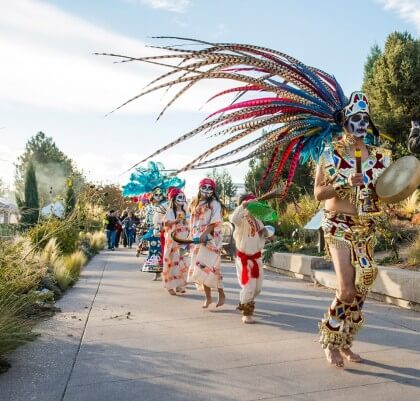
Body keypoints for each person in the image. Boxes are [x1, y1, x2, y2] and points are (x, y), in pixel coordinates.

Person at [314, 92, 391, 367]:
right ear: (345, 121)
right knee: (346, 290)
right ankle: (330, 338)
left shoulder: (380, 158)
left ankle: (346, 342)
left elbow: (388, 191)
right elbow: (319, 193)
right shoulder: (330, 154)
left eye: (365, 119)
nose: (360, 124)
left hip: (365, 227)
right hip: (337, 225)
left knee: (363, 285)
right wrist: (344, 184)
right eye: (355, 118)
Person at [230, 194, 274, 323]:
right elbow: (233, 219)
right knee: (249, 287)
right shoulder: (241, 218)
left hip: (256, 258)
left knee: (257, 288)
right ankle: (246, 313)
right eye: (250, 202)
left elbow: (263, 233)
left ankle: (246, 301)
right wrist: (243, 205)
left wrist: (268, 235)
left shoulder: (257, 219)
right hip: (244, 258)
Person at [188, 178, 226, 308]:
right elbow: (192, 222)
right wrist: (192, 236)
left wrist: (205, 234)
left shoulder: (215, 203)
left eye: (210, 188)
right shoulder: (195, 203)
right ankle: (208, 298)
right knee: (201, 269)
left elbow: (215, 221)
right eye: (204, 187)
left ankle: (221, 294)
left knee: (213, 268)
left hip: (210, 240)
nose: (207, 190)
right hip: (197, 240)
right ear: (199, 188)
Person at [162, 188, 189, 295]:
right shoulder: (170, 211)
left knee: (183, 262)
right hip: (173, 242)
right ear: (174, 199)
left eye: (183, 197)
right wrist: (176, 221)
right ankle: (170, 286)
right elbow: (166, 223)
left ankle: (179, 285)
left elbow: (189, 222)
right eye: (180, 197)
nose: (182, 199)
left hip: (183, 241)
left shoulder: (185, 210)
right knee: (172, 263)